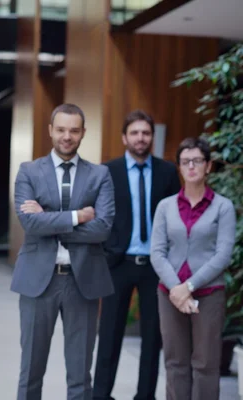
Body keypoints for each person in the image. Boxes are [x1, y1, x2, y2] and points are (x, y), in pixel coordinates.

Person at [12, 103, 115, 400]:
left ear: (83, 133)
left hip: (82, 282)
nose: (66, 136)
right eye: (61, 129)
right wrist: (78, 217)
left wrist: (48, 218)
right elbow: (29, 222)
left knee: (81, 375)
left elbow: (103, 228)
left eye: (73, 130)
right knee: (30, 370)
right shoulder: (29, 171)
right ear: (50, 131)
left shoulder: (100, 175)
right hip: (37, 282)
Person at [93, 110, 181, 400]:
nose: (140, 138)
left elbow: (175, 219)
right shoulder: (108, 171)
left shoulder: (168, 172)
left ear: (152, 138)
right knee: (109, 335)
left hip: (155, 265)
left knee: (152, 336)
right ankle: (101, 395)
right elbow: (99, 214)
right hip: (118, 263)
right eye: (135, 133)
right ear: (124, 137)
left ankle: (145, 395)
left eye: (145, 133)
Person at [150, 137, 236, 400]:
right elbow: (157, 251)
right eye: (185, 161)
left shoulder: (223, 207)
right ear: (179, 166)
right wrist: (176, 289)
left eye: (197, 161)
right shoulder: (165, 206)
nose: (191, 166)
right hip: (170, 295)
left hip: (208, 295)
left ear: (208, 166)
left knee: (206, 364)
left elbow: (223, 255)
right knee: (175, 362)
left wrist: (188, 287)